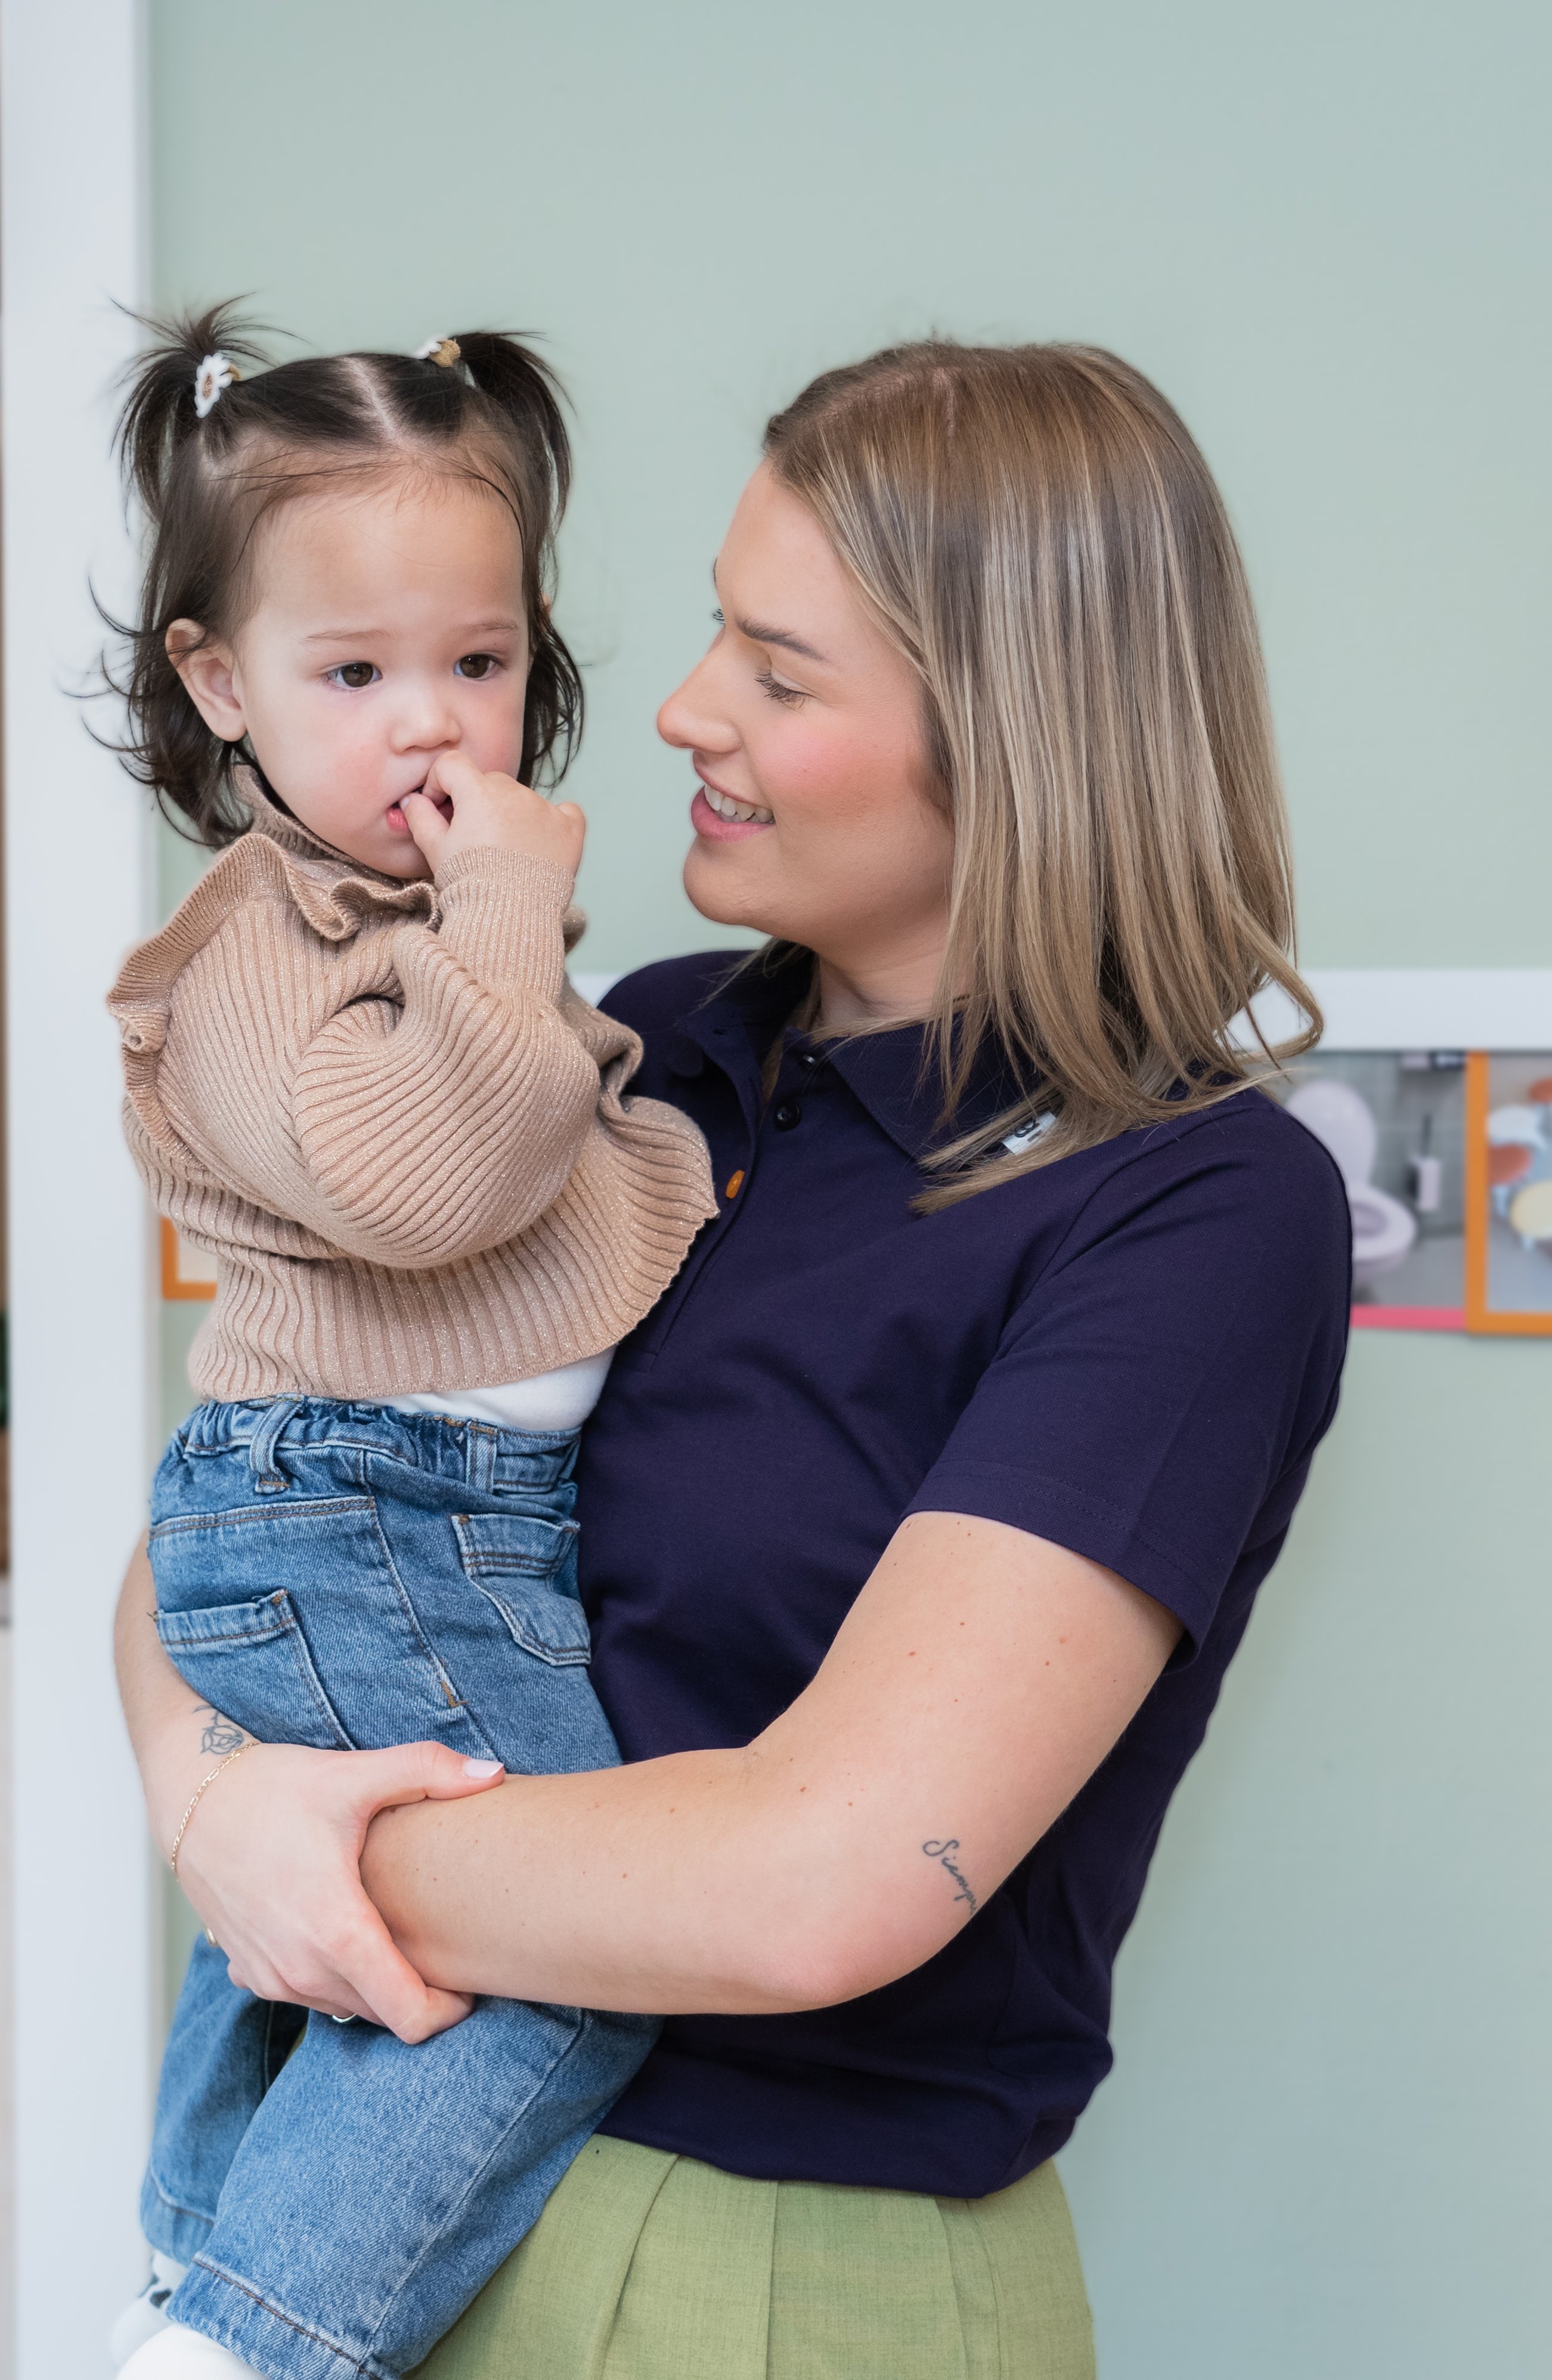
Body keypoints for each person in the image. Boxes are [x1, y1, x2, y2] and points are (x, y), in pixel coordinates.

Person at [119, 338, 1352, 2376]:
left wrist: (311, 1843)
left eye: (780, 674)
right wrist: (206, 1802)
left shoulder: (1194, 1215)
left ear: (1019, 736)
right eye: (712, 622)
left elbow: (814, 1887)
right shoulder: (653, 1048)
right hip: (375, 2208)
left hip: (765, 2273)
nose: (682, 707)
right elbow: (266, 1493)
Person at [98, 305, 720, 2380]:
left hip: (406, 1501)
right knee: (566, 1946)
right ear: (217, 684)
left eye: (477, 664)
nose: (433, 731)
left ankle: (184, 2276)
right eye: (352, 676)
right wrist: (508, 927)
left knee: (319, 1929)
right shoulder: (257, 951)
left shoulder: (394, 928)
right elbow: (428, 1184)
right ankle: (250, 2341)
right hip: (374, 1497)